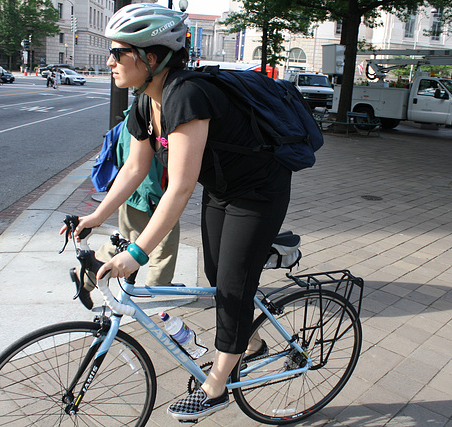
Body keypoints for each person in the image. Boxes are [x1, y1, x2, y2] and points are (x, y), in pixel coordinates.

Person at [61, 3, 291, 421]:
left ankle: (217, 388)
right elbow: (134, 168)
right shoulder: (145, 102)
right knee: (219, 279)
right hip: (222, 190)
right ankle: (251, 343)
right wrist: (96, 217)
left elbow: (180, 188)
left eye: (119, 52)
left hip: (258, 191)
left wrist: (136, 253)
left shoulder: (186, 93)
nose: (111, 61)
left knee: (234, 287)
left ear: (151, 58)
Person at [70, 106, 181, 310]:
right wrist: (154, 197)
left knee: (142, 238)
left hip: (141, 193)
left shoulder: (142, 111)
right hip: (145, 193)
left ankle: (159, 282)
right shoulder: (144, 115)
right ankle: (86, 275)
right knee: (139, 240)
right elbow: (137, 167)